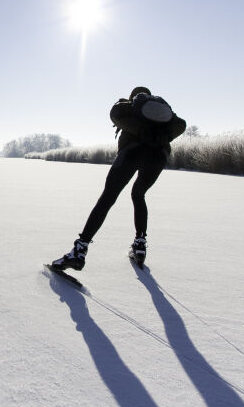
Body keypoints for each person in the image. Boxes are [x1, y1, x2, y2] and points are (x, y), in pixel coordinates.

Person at [51, 86, 186, 270]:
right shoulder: (162, 112)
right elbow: (181, 124)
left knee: (107, 198)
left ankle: (79, 251)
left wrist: (139, 132)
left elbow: (114, 113)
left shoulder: (130, 106)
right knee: (138, 195)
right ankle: (140, 244)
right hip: (158, 158)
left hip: (132, 153)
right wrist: (160, 137)